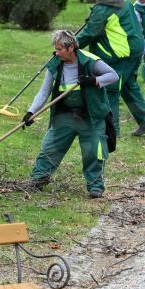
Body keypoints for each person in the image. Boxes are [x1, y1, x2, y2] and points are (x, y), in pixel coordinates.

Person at [25, 30, 119, 198]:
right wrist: (31, 112)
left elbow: (114, 76)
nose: (56, 53)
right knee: (49, 148)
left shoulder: (90, 61)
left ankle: (95, 187)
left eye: (59, 49)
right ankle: (38, 179)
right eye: (55, 49)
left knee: (93, 152)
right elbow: (44, 92)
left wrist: (94, 80)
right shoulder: (54, 64)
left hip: (91, 115)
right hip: (65, 115)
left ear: (71, 48)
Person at [76, 0, 145, 137]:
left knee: (110, 89)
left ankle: (111, 130)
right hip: (135, 50)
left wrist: (70, 45)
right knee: (128, 86)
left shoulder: (103, 9)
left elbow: (91, 32)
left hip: (120, 55)